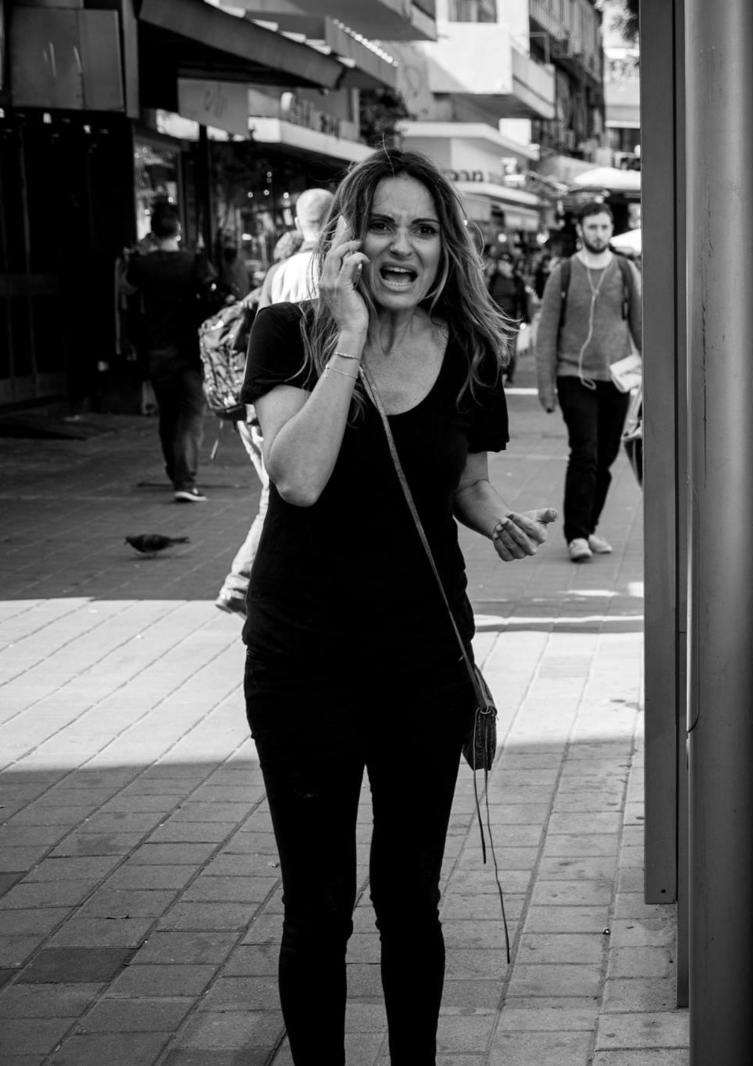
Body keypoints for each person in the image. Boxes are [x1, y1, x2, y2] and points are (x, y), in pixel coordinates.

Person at [238, 148, 557, 1064]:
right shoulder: (288, 334)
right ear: (347, 237)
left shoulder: (468, 353)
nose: (401, 247)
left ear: (446, 246)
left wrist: (499, 522)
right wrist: (346, 339)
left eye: (422, 228)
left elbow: (466, 483)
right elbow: (297, 481)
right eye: (381, 224)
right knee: (318, 907)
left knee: (410, 898)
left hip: (423, 666)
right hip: (304, 668)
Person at [215, 204, 327, 618]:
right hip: (313, 397)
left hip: (274, 396)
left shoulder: (281, 271)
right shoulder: (338, 267)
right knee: (281, 492)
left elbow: (260, 336)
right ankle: (242, 582)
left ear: (299, 223)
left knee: (284, 491)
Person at [534, 200, 642, 562]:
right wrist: (545, 387)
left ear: (611, 230)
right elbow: (546, 332)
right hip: (573, 376)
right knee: (585, 452)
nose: (598, 233)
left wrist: (653, 379)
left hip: (616, 380)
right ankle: (576, 535)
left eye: (604, 227)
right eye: (592, 227)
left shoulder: (626, 271)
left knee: (606, 456)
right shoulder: (562, 273)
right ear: (580, 230)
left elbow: (640, 328)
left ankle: (590, 527)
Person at [120, 203, 220, 503]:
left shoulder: (142, 264)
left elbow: (123, 289)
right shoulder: (194, 262)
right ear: (178, 229)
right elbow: (212, 289)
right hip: (190, 350)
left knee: (168, 416)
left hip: (158, 351)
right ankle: (185, 481)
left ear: (153, 231)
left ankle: (174, 472)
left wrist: (133, 257)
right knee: (191, 416)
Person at [266, 188, 334, 305]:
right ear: (335, 221)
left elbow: (263, 321)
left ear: (297, 224)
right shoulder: (345, 266)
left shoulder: (276, 273)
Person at [487, 252, 531, 384]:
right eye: (501, 263)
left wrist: (525, 319)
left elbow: (523, 300)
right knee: (496, 349)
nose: (503, 266)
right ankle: (497, 375)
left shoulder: (518, 281)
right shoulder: (494, 278)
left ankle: (509, 375)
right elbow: (487, 297)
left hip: (512, 320)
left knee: (511, 351)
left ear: (512, 266)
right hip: (495, 320)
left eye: (506, 263)